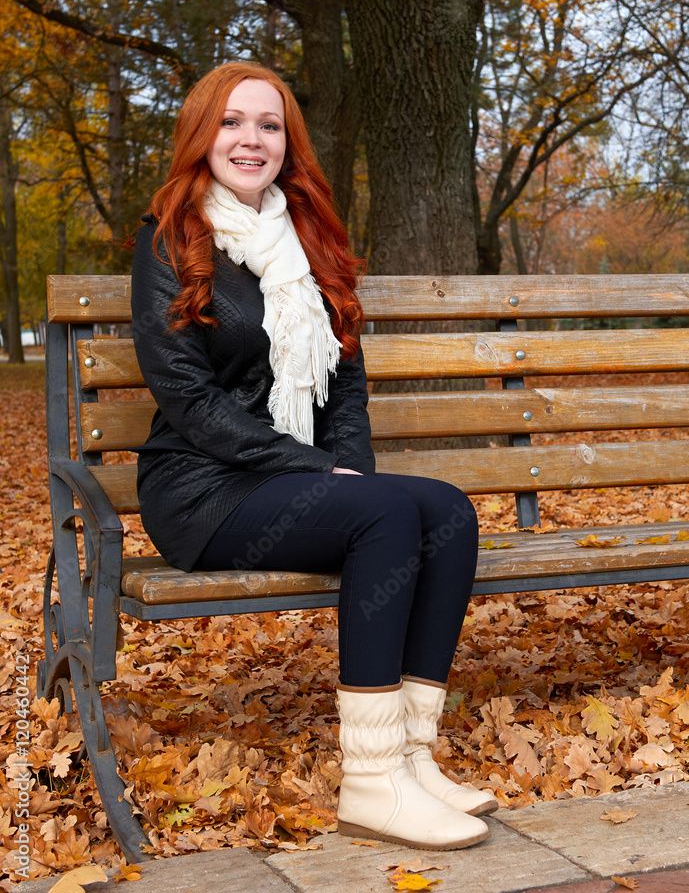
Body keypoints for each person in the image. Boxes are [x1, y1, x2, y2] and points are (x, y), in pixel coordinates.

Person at [131, 61, 495, 851]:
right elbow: (191, 402)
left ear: (287, 143)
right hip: (203, 490)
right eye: (231, 122)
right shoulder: (170, 240)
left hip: (288, 479)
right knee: (384, 512)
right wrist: (308, 467)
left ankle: (410, 755)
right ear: (202, 134)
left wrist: (347, 469)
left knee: (446, 510)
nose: (249, 138)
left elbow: (347, 385)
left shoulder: (311, 241)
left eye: (268, 124)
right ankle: (371, 781)